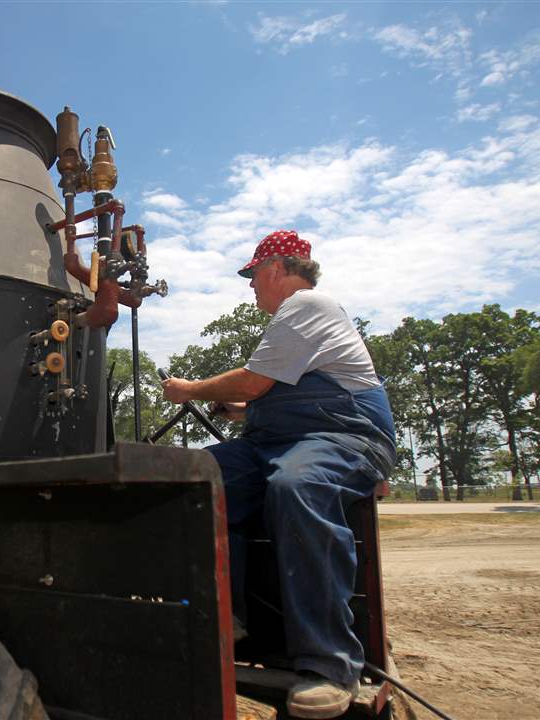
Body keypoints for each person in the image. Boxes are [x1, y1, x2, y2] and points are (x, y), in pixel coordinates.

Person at [161, 230, 397, 720]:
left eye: (252, 277)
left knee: (298, 485)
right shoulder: (295, 323)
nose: (251, 287)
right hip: (282, 441)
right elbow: (267, 396)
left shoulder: (309, 305)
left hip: (347, 436)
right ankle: (229, 621)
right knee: (194, 478)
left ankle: (330, 665)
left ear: (275, 270)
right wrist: (241, 410)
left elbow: (255, 380)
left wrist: (189, 389)